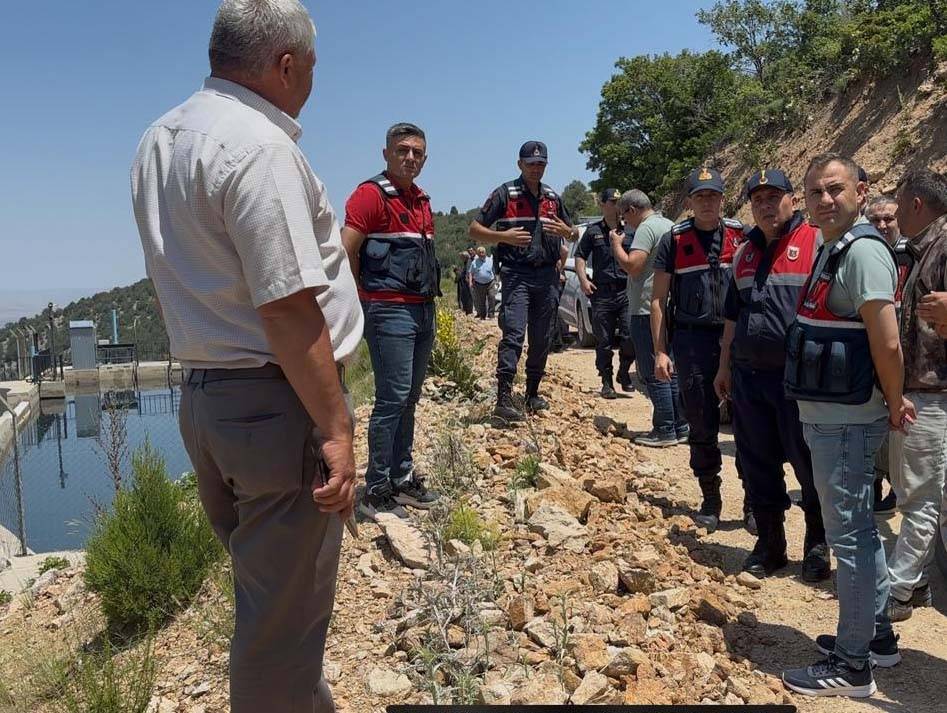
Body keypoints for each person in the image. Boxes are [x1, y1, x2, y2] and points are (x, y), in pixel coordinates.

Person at [130, 2, 361, 710]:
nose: (314, 80)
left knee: (271, 602)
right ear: (284, 65)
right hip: (274, 404)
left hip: (209, 402)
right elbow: (288, 307)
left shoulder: (159, 138)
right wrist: (335, 426)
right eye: (313, 67)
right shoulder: (257, 147)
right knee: (278, 634)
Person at [782, 153, 915, 698]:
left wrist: (893, 398)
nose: (823, 199)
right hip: (836, 417)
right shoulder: (838, 246)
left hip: (846, 422)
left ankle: (852, 662)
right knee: (861, 529)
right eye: (814, 192)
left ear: (862, 190)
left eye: (834, 189)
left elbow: (886, 341)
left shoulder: (860, 252)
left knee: (851, 537)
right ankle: (877, 636)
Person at [714, 170, 829, 582]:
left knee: (808, 462)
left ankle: (817, 542)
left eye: (773, 196)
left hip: (798, 378)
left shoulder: (815, 241)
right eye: (757, 198)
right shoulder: (744, 252)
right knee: (757, 461)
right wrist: (724, 366)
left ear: (792, 200)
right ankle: (770, 544)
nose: (765, 205)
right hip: (748, 377)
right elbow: (732, 315)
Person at [342, 123, 441, 520]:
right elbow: (346, 250)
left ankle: (401, 478)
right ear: (386, 154)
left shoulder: (421, 200)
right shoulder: (370, 196)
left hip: (422, 310)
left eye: (417, 152)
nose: (410, 157)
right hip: (388, 312)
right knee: (391, 399)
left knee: (409, 398)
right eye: (402, 150)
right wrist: (359, 301)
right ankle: (376, 488)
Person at [650, 167, 749, 532]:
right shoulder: (674, 240)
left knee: (748, 423)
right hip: (692, 341)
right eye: (700, 196)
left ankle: (753, 500)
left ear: (723, 198)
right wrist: (661, 351)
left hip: (736, 337)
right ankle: (711, 497)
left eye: (713, 195)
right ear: (689, 201)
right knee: (701, 421)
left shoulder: (741, 236)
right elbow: (658, 300)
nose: (707, 202)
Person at [470, 141, 576, 422]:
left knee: (542, 339)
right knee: (514, 335)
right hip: (517, 274)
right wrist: (503, 237)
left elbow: (574, 232)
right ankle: (503, 398)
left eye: (541, 164)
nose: (535, 168)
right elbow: (475, 229)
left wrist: (568, 231)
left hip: (547, 277)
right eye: (531, 163)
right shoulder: (505, 193)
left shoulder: (553, 196)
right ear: (520, 164)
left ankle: (532, 393)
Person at [884, 168, 947, 621]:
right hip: (922, 391)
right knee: (925, 495)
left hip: (934, 393)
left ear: (916, 204)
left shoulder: (943, 246)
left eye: (899, 202)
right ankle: (920, 581)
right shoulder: (923, 248)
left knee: (921, 498)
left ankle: (900, 590)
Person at [609, 189, 688, 445]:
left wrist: (616, 246)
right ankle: (680, 425)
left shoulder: (645, 229)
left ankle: (664, 428)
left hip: (645, 309)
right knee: (670, 369)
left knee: (653, 370)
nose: (625, 223)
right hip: (668, 307)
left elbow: (633, 265)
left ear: (632, 210)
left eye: (624, 216)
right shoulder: (669, 224)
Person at [865, 195, 907, 513]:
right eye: (875, 219)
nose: (882, 225)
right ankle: (875, 486)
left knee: (900, 430)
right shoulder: (863, 255)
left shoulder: (913, 255)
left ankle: (899, 488)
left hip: (907, 358)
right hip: (870, 356)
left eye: (888, 219)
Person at [574, 188, 635, 398]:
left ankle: (624, 371)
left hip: (626, 291)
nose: (617, 205)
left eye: (619, 201)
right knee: (604, 341)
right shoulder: (593, 231)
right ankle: (606, 381)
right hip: (602, 294)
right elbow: (580, 257)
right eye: (612, 201)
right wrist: (583, 280)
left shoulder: (629, 230)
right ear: (602, 204)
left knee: (630, 336)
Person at [468, 246, 497, 319]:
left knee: (492, 297)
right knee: (481, 300)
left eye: (482, 252)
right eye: (480, 253)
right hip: (479, 284)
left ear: (485, 253)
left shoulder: (490, 260)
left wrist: (496, 280)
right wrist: (470, 282)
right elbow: (470, 272)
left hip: (490, 282)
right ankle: (482, 315)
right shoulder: (474, 262)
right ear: (478, 253)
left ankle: (491, 314)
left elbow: (494, 270)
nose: (481, 254)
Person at [456, 249, 474, 314]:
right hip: (465, 282)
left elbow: (468, 271)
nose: (461, 259)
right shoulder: (466, 262)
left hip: (467, 282)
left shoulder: (468, 262)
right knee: (465, 296)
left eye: (462, 257)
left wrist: (468, 279)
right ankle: (467, 310)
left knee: (468, 296)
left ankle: (468, 310)